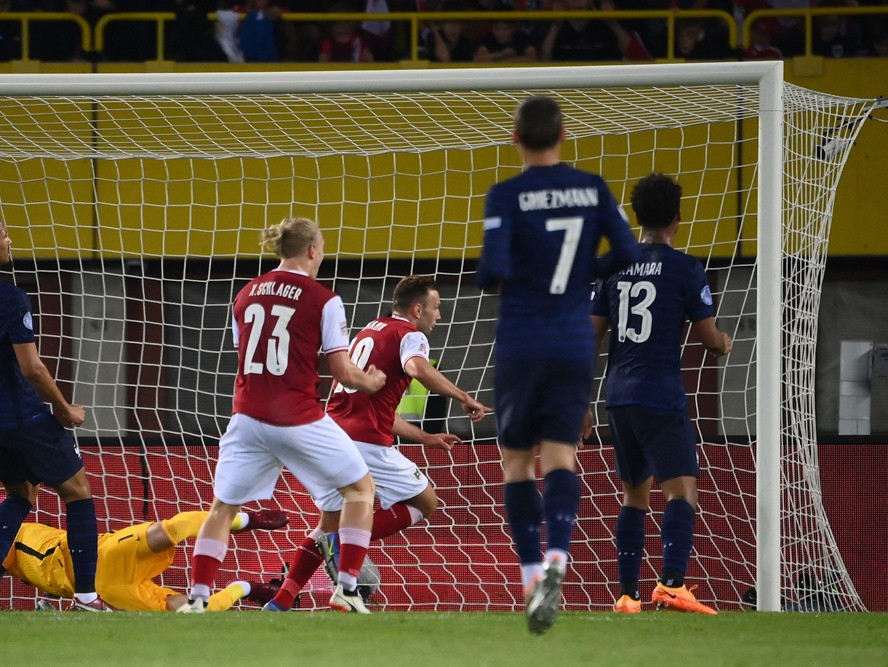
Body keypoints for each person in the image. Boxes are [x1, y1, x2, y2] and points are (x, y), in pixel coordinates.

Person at [475, 95, 640, 634]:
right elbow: (629, 254)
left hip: (522, 338)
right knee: (562, 455)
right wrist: (580, 271)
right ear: (563, 135)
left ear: (516, 138)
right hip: (573, 338)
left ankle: (530, 577)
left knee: (517, 461)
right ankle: (558, 557)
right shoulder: (592, 188)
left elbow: (490, 271)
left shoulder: (506, 194)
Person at [180, 216, 386, 614]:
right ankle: (347, 588)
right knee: (360, 490)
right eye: (321, 248)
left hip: (247, 418)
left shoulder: (245, 294)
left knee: (222, 508)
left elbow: (249, 355)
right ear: (311, 250)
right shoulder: (324, 299)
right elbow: (342, 372)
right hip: (297, 417)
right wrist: (371, 381)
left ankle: (198, 598)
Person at [264, 275, 491, 611]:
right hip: (365, 442)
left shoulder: (370, 331)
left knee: (328, 523)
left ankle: (281, 601)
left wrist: (425, 437)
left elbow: (377, 408)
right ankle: (346, 566)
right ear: (417, 310)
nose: (439, 315)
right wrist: (464, 397)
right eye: (436, 307)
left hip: (330, 437)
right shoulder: (410, 335)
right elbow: (417, 368)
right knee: (425, 501)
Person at [0, 210, 111, 611]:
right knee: (78, 491)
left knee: (22, 492)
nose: (9, 241)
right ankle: (86, 596)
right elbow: (32, 368)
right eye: (4, 235)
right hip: (19, 413)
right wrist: (64, 410)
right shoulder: (10, 298)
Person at [591, 173, 732, 615]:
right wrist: (723, 343)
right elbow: (708, 337)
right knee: (681, 491)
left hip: (618, 395)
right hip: (660, 392)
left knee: (634, 494)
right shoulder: (686, 268)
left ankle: (627, 596)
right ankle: (672, 585)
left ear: (637, 217)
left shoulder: (612, 267)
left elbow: (590, 338)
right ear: (678, 216)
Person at [0, 507, 290, 611]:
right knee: (192, 611)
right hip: (108, 590)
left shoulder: (9, 536)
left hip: (101, 553)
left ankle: (244, 520)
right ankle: (248, 588)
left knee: (172, 529)